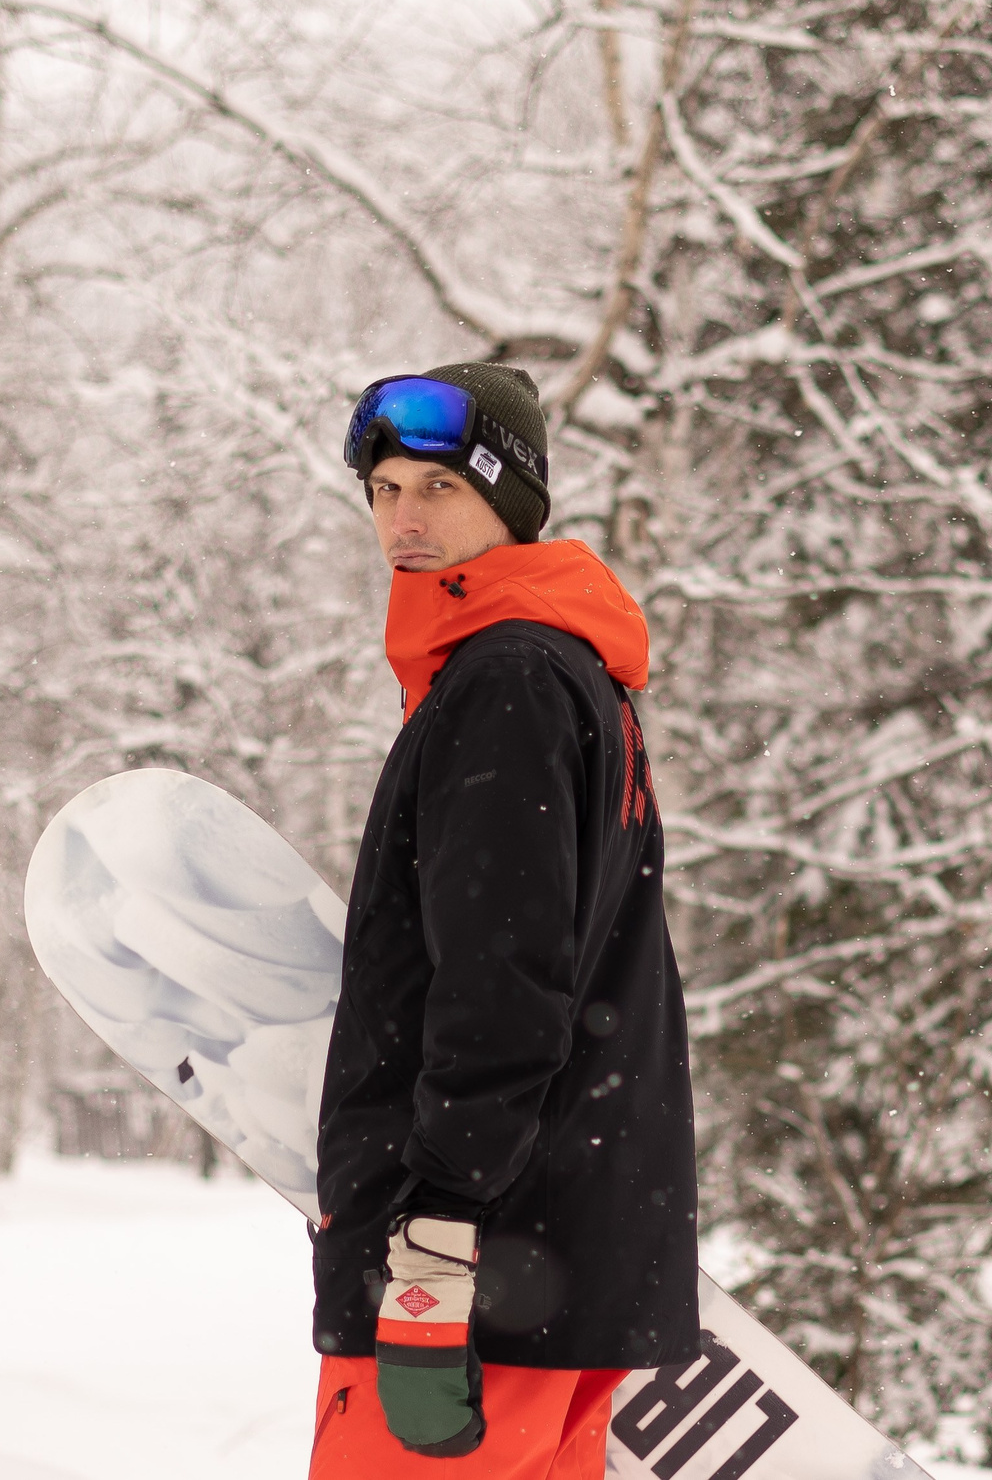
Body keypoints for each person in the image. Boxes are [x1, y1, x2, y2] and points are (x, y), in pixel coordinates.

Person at [310, 363, 699, 1479]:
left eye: (436, 488)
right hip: (555, 1245)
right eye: (382, 490)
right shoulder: (570, 673)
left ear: (509, 503)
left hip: (473, 1265)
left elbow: (503, 978)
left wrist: (435, 1228)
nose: (402, 520)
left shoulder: (508, 683)